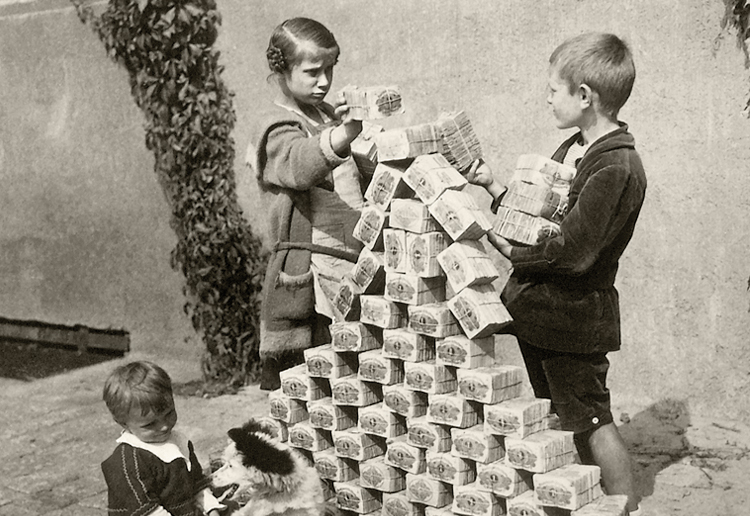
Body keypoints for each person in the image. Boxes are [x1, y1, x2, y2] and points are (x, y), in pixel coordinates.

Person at [468, 32, 646, 515]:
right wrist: (495, 187)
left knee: (591, 420)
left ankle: (626, 506)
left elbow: (573, 251)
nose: (546, 98)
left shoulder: (615, 167)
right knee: (560, 416)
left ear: (584, 96)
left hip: (574, 319)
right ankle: (583, 500)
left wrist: (511, 251)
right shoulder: (575, 148)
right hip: (544, 313)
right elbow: (542, 221)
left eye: (553, 90)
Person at [249, 17, 367, 390]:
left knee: (358, 374)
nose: (324, 81)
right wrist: (346, 133)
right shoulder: (274, 128)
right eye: (313, 72)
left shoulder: (328, 116)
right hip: (313, 273)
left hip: (350, 261)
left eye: (330, 69)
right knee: (318, 378)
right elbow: (300, 165)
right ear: (282, 71)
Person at [101, 361, 224, 516]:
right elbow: (148, 511)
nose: (164, 426)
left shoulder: (178, 442)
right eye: (150, 424)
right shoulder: (127, 462)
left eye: (169, 414)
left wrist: (212, 508)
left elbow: (197, 482)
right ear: (123, 423)